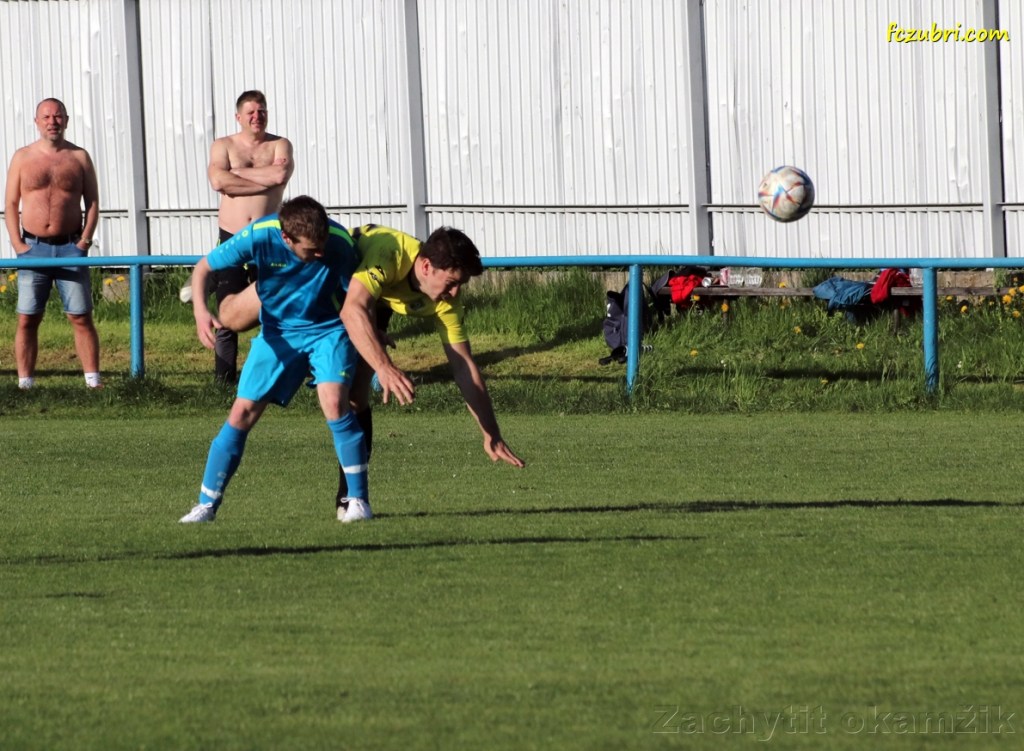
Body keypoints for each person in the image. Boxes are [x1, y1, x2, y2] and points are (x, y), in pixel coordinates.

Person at [218, 223, 524, 516]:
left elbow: (464, 366)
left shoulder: (444, 301)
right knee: (231, 318)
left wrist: (491, 433)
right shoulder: (389, 253)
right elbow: (352, 309)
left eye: (460, 285)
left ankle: (351, 499)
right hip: (319, 278)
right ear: (426, 266)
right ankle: (235, 275)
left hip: (366, 301)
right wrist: (384, 366)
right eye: (452, 283)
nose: (455, 293)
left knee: (355, 396)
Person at [179, 195, 372, 524]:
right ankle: (205, 506)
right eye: (311, 249)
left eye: (322, 245)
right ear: (286, 238)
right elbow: (204, 267)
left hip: (328, 330)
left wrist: (372, 334)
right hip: (278, 332)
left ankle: (358, 502)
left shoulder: (339, 244)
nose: (320, 253)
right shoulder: (259, 235)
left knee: (335, 403)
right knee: (241, 413)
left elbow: (358, 299)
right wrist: (200, 310)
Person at [192, 89, 293, 383]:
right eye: (250, 112)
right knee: (227, 309)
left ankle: (279, 373)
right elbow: (217, 181)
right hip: (232, 236)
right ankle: (224, 379)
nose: (256, 117)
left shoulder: (280, 144)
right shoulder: (223, 145)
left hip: (269, 237)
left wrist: (235, 175)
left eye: (261, 111)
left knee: (277, 306)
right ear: (238, 117)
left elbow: (279, 176)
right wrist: (262, 179)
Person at [4, 98, 101, 390]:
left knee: (80, 317)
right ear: (37, 122)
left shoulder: (79, 157)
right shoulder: (22, 157)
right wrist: (18, 244)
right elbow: (11, 204)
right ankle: (25, 384)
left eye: (57, 116)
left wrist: (84, 241)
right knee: (27, 318)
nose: (52, 122)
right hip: (33, 249)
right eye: (46, 117)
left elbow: (92, 202)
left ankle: (93, 382)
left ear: (66, 120)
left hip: (71, 247)